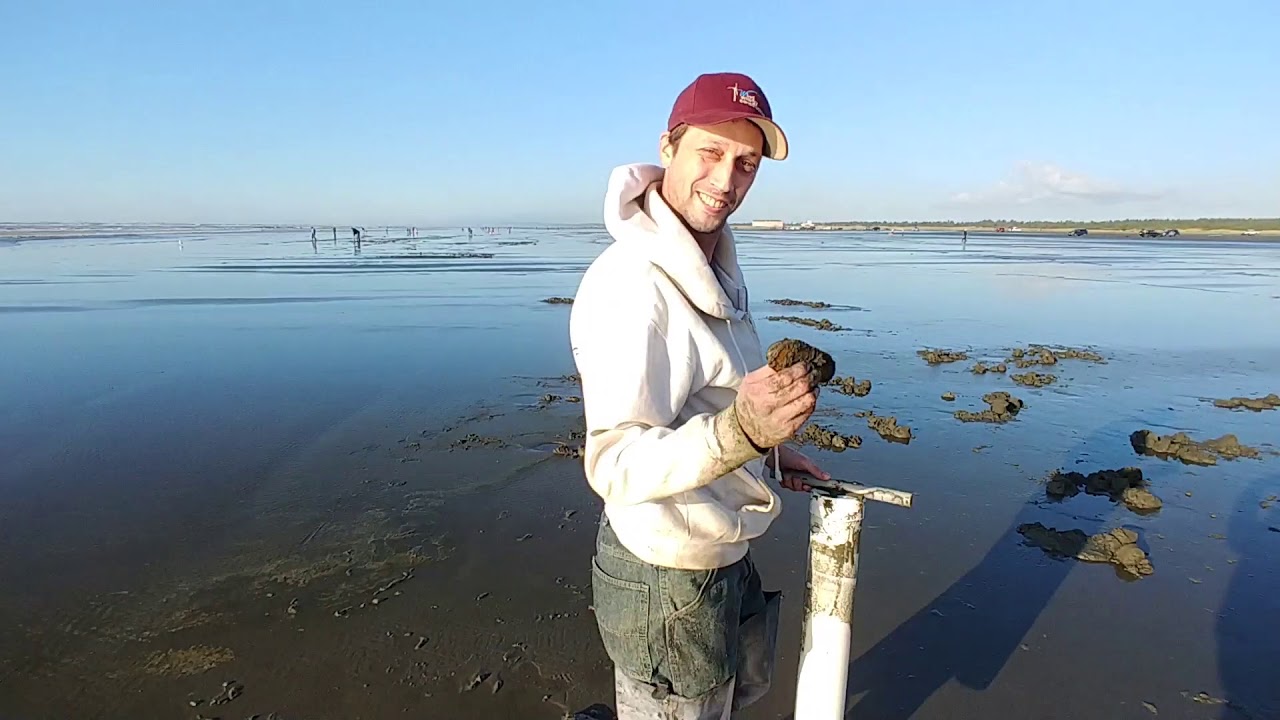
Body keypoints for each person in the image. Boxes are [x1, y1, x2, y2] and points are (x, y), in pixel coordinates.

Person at [568, 72, 829, 719]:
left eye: (746, 163)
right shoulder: (633, 285)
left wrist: (764, 455)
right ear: (668, 148)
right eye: (709, 153)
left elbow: (707, 400)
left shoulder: (714, 268)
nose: (726, 179)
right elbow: (615, 462)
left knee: (733, 698)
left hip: (719, 550)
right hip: (666, 572)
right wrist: (742, 432)